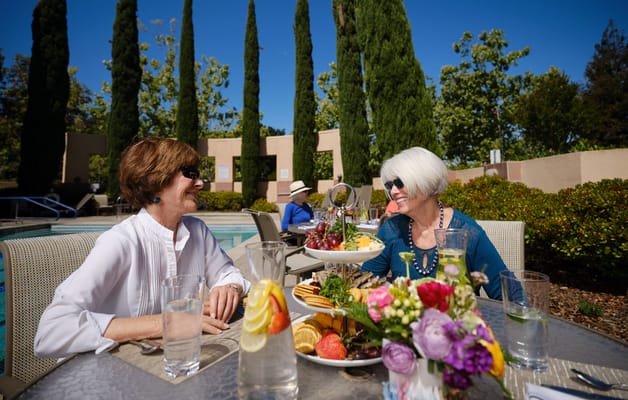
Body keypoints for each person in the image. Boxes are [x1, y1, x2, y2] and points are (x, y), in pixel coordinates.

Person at [35, 138, 251, 358]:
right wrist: (164, 322)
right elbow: (51, 332)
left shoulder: (198, 231)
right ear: (156, 180)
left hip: (179, 361)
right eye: (190, 173)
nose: (200, 183)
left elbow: (227, 272)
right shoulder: (121, 242)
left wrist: (229, 287)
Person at [361, 147, 509, 299]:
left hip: (454, 322)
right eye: (389, 185)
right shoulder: (392, 229)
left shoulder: (467, 232)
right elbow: (363, 284)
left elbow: (510, 297)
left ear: (426, 182)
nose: (393, 192)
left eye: (399, 183)